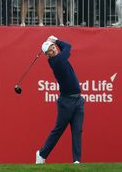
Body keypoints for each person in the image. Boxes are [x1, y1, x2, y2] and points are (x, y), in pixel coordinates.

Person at [36, 35, 84, 164]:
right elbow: (68, 46)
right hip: (66, 102)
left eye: (53, 47)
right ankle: (41, 154)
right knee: (58, 130)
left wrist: (54, 42)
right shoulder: (57, 61)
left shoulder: (58, 57)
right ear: (47, 55)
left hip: (78, 100)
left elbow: (65, 47)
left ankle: (77, 160)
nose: (53, 50)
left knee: (77, 130)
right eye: (50, 50)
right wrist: (55, 40)